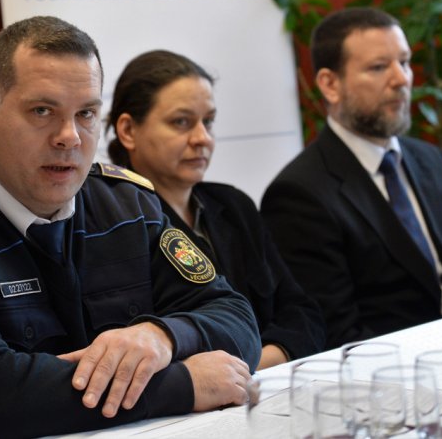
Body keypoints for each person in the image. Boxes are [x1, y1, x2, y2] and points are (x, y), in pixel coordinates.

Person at [0, 16, 261, 438]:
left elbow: (236, 317)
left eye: (86, 114)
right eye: (42, 111)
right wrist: (183, 384)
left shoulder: (128, 205)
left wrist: (162, 337)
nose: (70, 137)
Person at [260, 7, 442, 350]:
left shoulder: (431, 160)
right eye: (378, 67)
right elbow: (336, 334)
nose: (402, 79)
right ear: (330, 84)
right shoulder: (299, 194)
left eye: (404, 62)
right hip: (388, 371)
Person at [105, 49, 325, 369]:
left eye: (208, 122)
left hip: (269, 381)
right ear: (128, 130)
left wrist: (252, 367)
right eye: (181, 122)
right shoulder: (113, 228)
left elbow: (303, 314)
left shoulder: (234, 206)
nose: (203, 138)